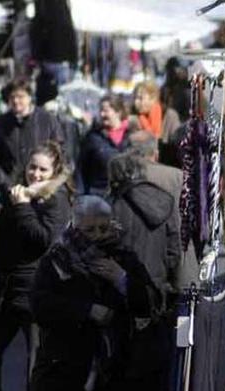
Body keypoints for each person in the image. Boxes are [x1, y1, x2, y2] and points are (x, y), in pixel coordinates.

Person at [23, 196, 160, 391]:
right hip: (65, 375)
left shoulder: (122, 256)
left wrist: (120, 278)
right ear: (75, 226)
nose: (98, 236)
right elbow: (39, 305)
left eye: (102, 228)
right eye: (89, 230)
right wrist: (86, 310)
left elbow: (148, 303)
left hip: (110, 379)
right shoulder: (57, 258)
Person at [0, 142, 73, 391]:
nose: (35, 173)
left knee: (35, 356)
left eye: (43, 169)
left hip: (36, 287)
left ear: (54, 172)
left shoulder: (56, 199)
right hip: (7, 286)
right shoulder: (17, 194)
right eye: (32, 167)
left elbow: (43, 239)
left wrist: (22, 209)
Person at [108, 153, 181, 297]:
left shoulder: (112, 204)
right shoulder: (164, 199)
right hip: (157, 279)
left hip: (122, 282)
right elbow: (174, 246)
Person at [0, 77, 65, 192]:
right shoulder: (2, 122)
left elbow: (61, 152)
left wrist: (50, 182)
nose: (16, 101)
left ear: (29, 97)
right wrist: (4, 183)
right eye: (12, 97)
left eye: (20, 96)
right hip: (12, 190)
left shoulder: (47, 119)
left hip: (43, 189)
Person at [77, 94, 133, 195]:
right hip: (97, 194)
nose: (102, 114)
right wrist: (80, 196)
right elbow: (81, 169)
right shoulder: (93, 137)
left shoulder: (131, 136)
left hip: (123, 196)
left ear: (118, 112)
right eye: (101, 110)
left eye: (106, 110)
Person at [132, 81, 181, 166]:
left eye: (140, 98)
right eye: (135, 98)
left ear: (153, 98)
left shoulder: (169, 115)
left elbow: (177, 142)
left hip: (167, 164)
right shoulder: (133, 118)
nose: (136, 102)